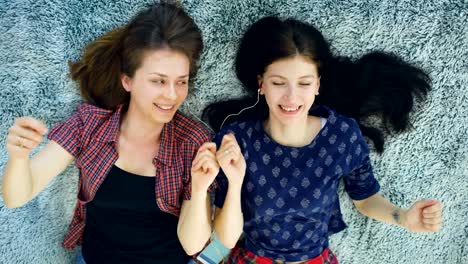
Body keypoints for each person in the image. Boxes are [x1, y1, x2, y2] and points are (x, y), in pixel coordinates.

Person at [203, 17, 443, 263]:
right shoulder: (237, 140)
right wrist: (234, 182)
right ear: (261, 84)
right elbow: (223, 238)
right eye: (278, 83)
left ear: (318, 84)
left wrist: (403, 217)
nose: (291, 97)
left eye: (304, 83)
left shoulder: (341, 136)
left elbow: (366, 199)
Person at [1, 2, 219, 263]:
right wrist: (19, 156)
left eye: (181, 81)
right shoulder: (89, 126)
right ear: (127, 80)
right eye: (158, 81)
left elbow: (192, 245)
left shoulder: (192, 139)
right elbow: (17, 196)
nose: (172, 95)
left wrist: (199, 188)